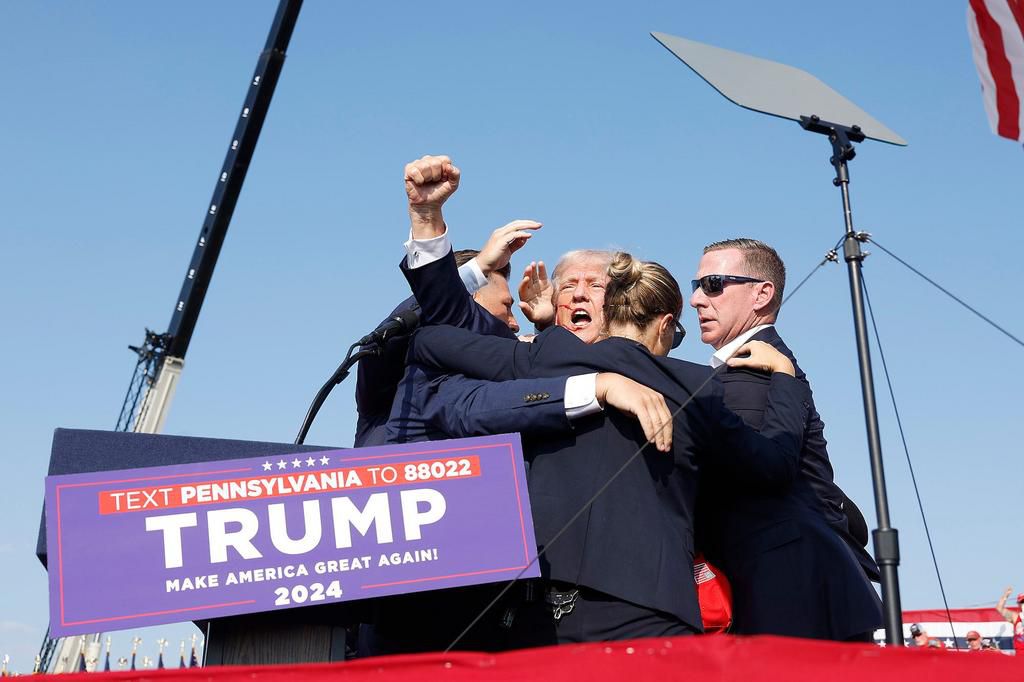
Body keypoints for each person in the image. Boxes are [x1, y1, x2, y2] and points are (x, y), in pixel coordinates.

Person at [407, 252, 813, 645]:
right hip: (649, 613)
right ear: (664, 325)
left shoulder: (549, 356)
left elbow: (428, 340)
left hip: (541, 617)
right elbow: (773, 466)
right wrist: (786, 376)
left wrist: (544, 345)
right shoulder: (695, 386)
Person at [689, 237, 883, 640]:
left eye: (713, 285)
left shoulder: (755, 368)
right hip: (804, 589)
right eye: (696, 286)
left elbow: (758, 470)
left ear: (761, 294)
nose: (696, 300)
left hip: (788, 594)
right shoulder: (764, 365)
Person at [995, 587, 1024, 654]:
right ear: (1018, 604)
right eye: (1022, 602)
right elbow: (999, 608)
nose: (1023, 604)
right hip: (1020, 652)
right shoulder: (1015, 616)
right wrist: (1005, 595)